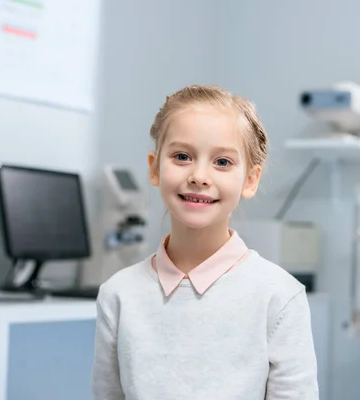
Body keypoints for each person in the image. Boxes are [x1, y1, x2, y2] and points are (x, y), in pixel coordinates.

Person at [92, 84, 319, 399]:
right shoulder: (118, 295)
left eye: (222, 162)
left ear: (250, 179)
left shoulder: (279, 297)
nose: (199, 175)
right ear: (155, 168)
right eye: (182, 156)